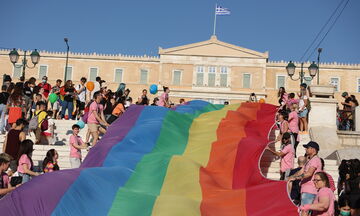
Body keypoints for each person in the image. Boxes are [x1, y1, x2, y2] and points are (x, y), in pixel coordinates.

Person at [288, 141, 322, 208]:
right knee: (303, 211)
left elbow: (309, 173)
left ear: (313, 149)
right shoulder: (310, 160)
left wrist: (296, 178)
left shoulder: (315, 160)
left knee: (305, 211)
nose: (305, 149)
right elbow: (301, 171)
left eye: (307, 148)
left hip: (310, 191)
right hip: (305, 190)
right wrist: (291, 177)